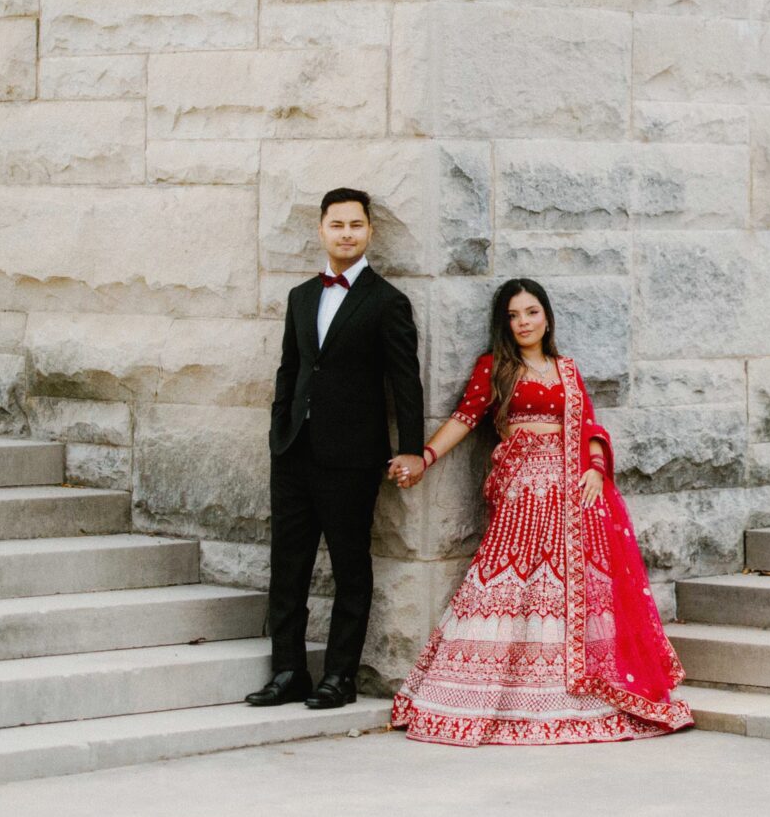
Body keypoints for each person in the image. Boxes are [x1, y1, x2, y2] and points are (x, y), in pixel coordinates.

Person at [385, 279, 693, 745]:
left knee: (571, 586)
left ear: (546, 316)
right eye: (513, 315)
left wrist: (593, 469)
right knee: (508, 579)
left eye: (531, 312)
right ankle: (489, 691)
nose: (523, 322)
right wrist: (424, 458)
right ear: (503, 323)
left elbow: (589, 423)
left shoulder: (567, 370)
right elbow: (464, 419)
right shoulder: (495, 369)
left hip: (574, 496)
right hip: (522, 495)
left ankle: (574, 692)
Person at [247, 187, 424, 710]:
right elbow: (290, 370)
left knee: (350, 567)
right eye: (337, 224)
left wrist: (410, 448)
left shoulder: (388, 301)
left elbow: (405, 381)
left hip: (351, 458)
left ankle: (339, 677)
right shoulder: (301, 296)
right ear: (322, 230)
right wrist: (279, 430)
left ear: (369, 232)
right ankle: (288, 672)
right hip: (294, 452)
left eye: (355, 225)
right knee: (288, 566)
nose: (346, 233)